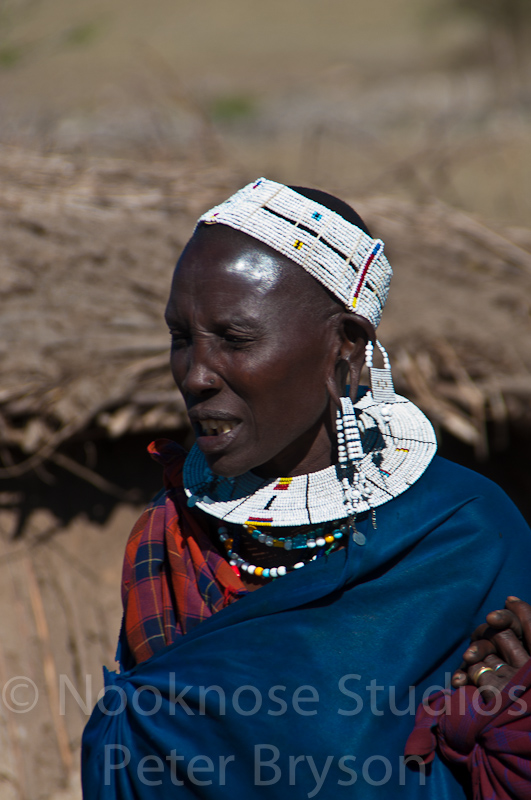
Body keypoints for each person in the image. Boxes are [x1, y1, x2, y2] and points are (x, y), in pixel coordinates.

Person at [82, 179, 531, 799]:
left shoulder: (464, 538)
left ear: (343, 348)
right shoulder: (171, 539)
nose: (195, 376)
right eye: (181, 338)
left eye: (235, 339)